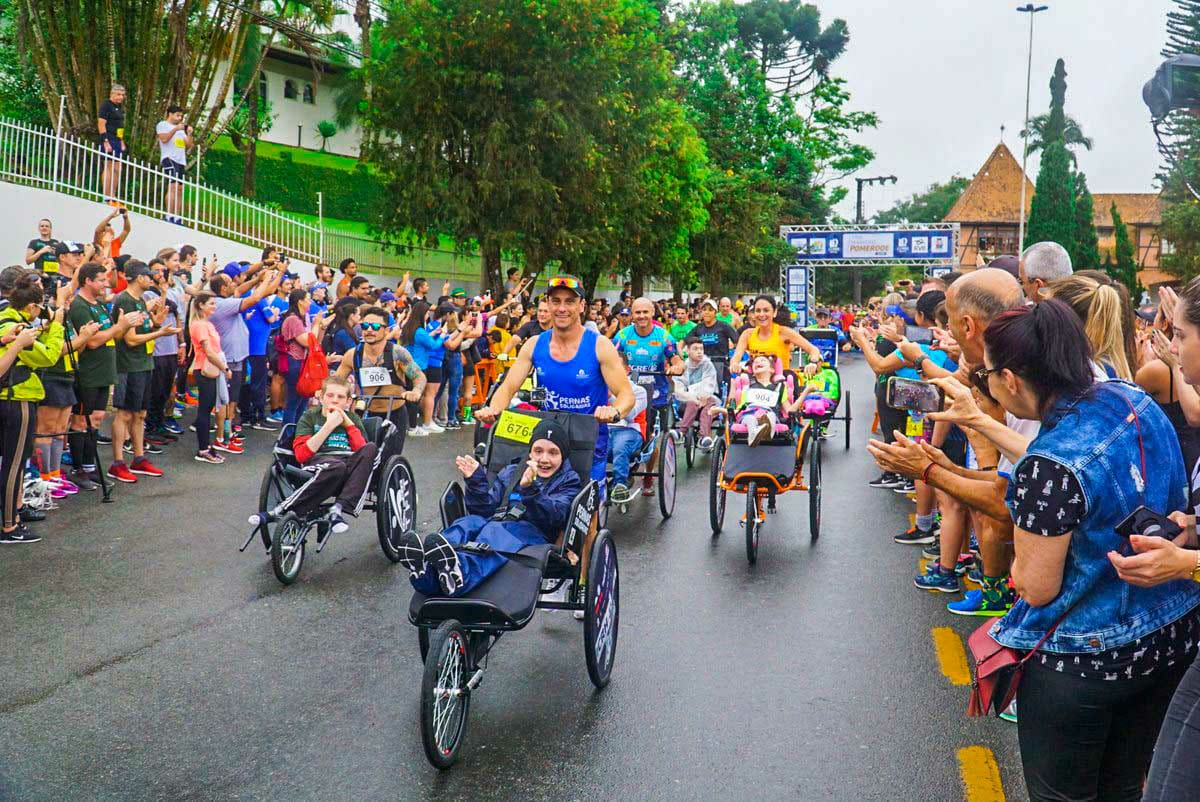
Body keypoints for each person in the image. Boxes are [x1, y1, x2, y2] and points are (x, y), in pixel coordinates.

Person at [979, 300, 1200, 800]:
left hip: (1084, 660)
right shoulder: (1132, 398)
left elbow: (1036, 587)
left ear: (1011, 379)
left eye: (985, 374)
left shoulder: (1046, 465)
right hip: (1169, 637)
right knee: (1124, 786)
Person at [475, 275, 634, 483]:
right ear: (547, 304)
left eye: (570, 301)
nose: (562, 308)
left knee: (585, 508)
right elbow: (507, 388)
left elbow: (626, 395)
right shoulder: (533, 344)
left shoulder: (599, 345)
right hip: (549, 440)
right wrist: (494, 409)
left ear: (582, 306)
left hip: (588, 441)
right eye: (556, 301)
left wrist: (614, 411)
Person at [396, 418, 581, 596]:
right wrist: (476, 481)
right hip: (498, 520)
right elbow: (485, 508)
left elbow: (556, 515)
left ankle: (461, 572)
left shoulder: (569, 480)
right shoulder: (512, 472)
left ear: (563, 455)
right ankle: (427, 570)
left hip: (534, 533)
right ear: (530, 452)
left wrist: (531, 488)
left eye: (553, 452)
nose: (544, 459)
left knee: (495, 531)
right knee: (468, 522)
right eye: (538, 451)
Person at [256, 376, 379, 536]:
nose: (334, 400)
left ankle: (338, 508)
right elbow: (301, 455)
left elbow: (362, 451)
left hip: (349, 466)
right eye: (330, 395)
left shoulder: (353, 418)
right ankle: (282, 509)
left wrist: (347, 423)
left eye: (340, 397)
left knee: (371, 448)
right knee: (336, 466)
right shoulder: (310, 416)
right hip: (321, 463)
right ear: (321, 397)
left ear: (348, 401)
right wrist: (328, 426)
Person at [66, 262, 145, 487]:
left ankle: (90, 467)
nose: (106, 283)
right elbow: (90, 342)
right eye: (101, 279)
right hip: (88, 372)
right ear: (87, 281)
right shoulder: (80, 306)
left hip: (104, 370)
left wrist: (125, 326)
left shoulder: (100, 305)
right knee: (82, 420)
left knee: (97, 419)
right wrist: (119, 326)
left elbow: (111, 336)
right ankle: (78, 468)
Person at [0, 273, 65, 541]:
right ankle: (9, 525)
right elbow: (48, 356)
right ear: (31, 307)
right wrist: (57, 327)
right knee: (14, 464)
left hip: (14, 397)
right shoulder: (15, 328)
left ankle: (15, 511)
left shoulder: (9, 322)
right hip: (17, 398)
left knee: (15, 461)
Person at [107, 261, 180, 482]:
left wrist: (156, 325)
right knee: (125, 413)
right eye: (148, 275)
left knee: (140, 414)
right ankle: (118, 462)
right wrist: (160, 333)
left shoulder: (139, 301)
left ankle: (139, 458)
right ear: (138, 277)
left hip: (143, 363)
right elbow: (130, 340)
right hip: (128, 365)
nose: (151, 279)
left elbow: (144, 330)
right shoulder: (125, 300)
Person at [334, 305, 425, 454]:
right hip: (363, 412)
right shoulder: (353, 355)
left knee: (389, 458)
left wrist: (416, 391)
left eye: (375, 326)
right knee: (361, 456)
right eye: (365, 326)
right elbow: (337, 381)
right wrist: (324, 391)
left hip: (394, 413)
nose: (369, 330)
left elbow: (418, 376)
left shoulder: (398, 353)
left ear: (386, 330)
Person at [718, 355, 811, 447]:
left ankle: (766, 431)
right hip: (749, 413)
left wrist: (806, 392)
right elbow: (739, 409)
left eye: (762, 360)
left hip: (769, 413)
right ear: (753, 372)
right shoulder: (748, 387)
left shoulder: (779, 388)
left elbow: (790, 410)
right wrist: (721, 410)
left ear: (772, 370)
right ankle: (754, 435)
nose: (758, 362)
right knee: (750, 419)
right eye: (755, 362)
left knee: (770, 416)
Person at [730, 294, 822, 375]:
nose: (761, 314)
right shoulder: (747, 334)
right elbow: (736, 356)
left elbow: (813, 350)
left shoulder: (784, 332)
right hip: (755, 386)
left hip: (782, 385)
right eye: (758, 311)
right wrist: (734, 364)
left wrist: (813, 363)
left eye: (766, 310)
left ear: (774, 313)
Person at [608, 367, 649, 503]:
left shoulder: (638, 391)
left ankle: (620, 485)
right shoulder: (596, 387)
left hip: (628, 429)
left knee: (620, 447)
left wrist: (610, 396)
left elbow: (630, 415)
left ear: (626, 370)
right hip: (603, 429)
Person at [674, 336, 720, 449]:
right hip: (688, 400)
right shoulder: (683, 367)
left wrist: (703, 396)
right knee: (692, 402)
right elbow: (679, 388)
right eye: (695, 349)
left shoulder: (708, 365)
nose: (699, 352)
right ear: (687, 351)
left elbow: (709, 384)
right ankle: (690, 434)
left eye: (701, 349)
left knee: (708, 406)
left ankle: (697, 435)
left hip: (708, 399)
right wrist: (693, 398)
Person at [155, 105, 193, 224]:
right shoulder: (163, 125)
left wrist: (189, 134)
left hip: (181, 160)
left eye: (181, 116)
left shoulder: (181, 129)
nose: (179, 118)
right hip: (169, 158)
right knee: (173, 186)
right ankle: (169, 214)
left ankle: (177, 216)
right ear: (170, 114)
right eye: (177, 115)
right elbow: (164, 139)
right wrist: (175, 129)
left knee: (180, 188)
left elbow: (189, 145)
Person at [98, 84, 126, 205]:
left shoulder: (119, 108)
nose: (121, 97)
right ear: (112, 94)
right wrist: (105, 141)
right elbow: (101, 123)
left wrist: (121, 141)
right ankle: (106, 195)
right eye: (118, 94)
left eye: (122, 95)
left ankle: (113, 195)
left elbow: (120, 126)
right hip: (108, 137)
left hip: (117, 138)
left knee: (118, 168)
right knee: (109, 166)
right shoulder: (106, 105)